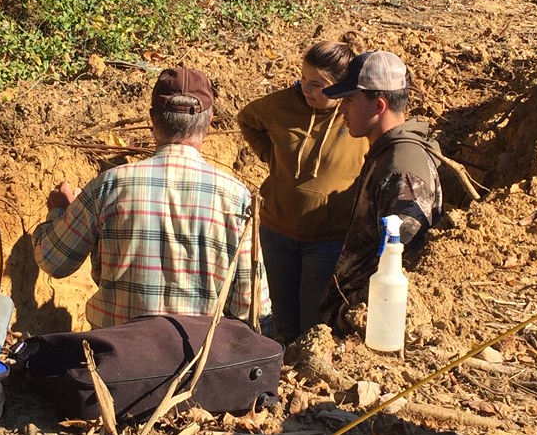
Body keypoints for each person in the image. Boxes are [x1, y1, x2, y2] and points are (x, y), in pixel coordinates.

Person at [32, 66, 268, 329]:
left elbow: (54, 261)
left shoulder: (108, 186)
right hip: (200, 360)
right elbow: (251, 306)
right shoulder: (237, 197)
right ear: (210, 121)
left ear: (153, 118)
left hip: (118, 359)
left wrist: (60, 213)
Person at [236, 38, 369, 343]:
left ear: (341, 86)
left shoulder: (356, 117)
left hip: (328, 241)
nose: (306, 90)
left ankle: (305, 380)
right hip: (277, 232)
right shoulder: (284, 103)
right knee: (281, 320)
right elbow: (247, 119)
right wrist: (272, 156)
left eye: (317, 85)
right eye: (304, 80)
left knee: (313, 325)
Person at [316, 50, 443, 327]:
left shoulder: (401, 173)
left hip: (368, 322)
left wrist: (352, 317)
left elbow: (400, 264)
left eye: (349, 100)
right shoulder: (386, 154)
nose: (341, 109)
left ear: (379, 105)